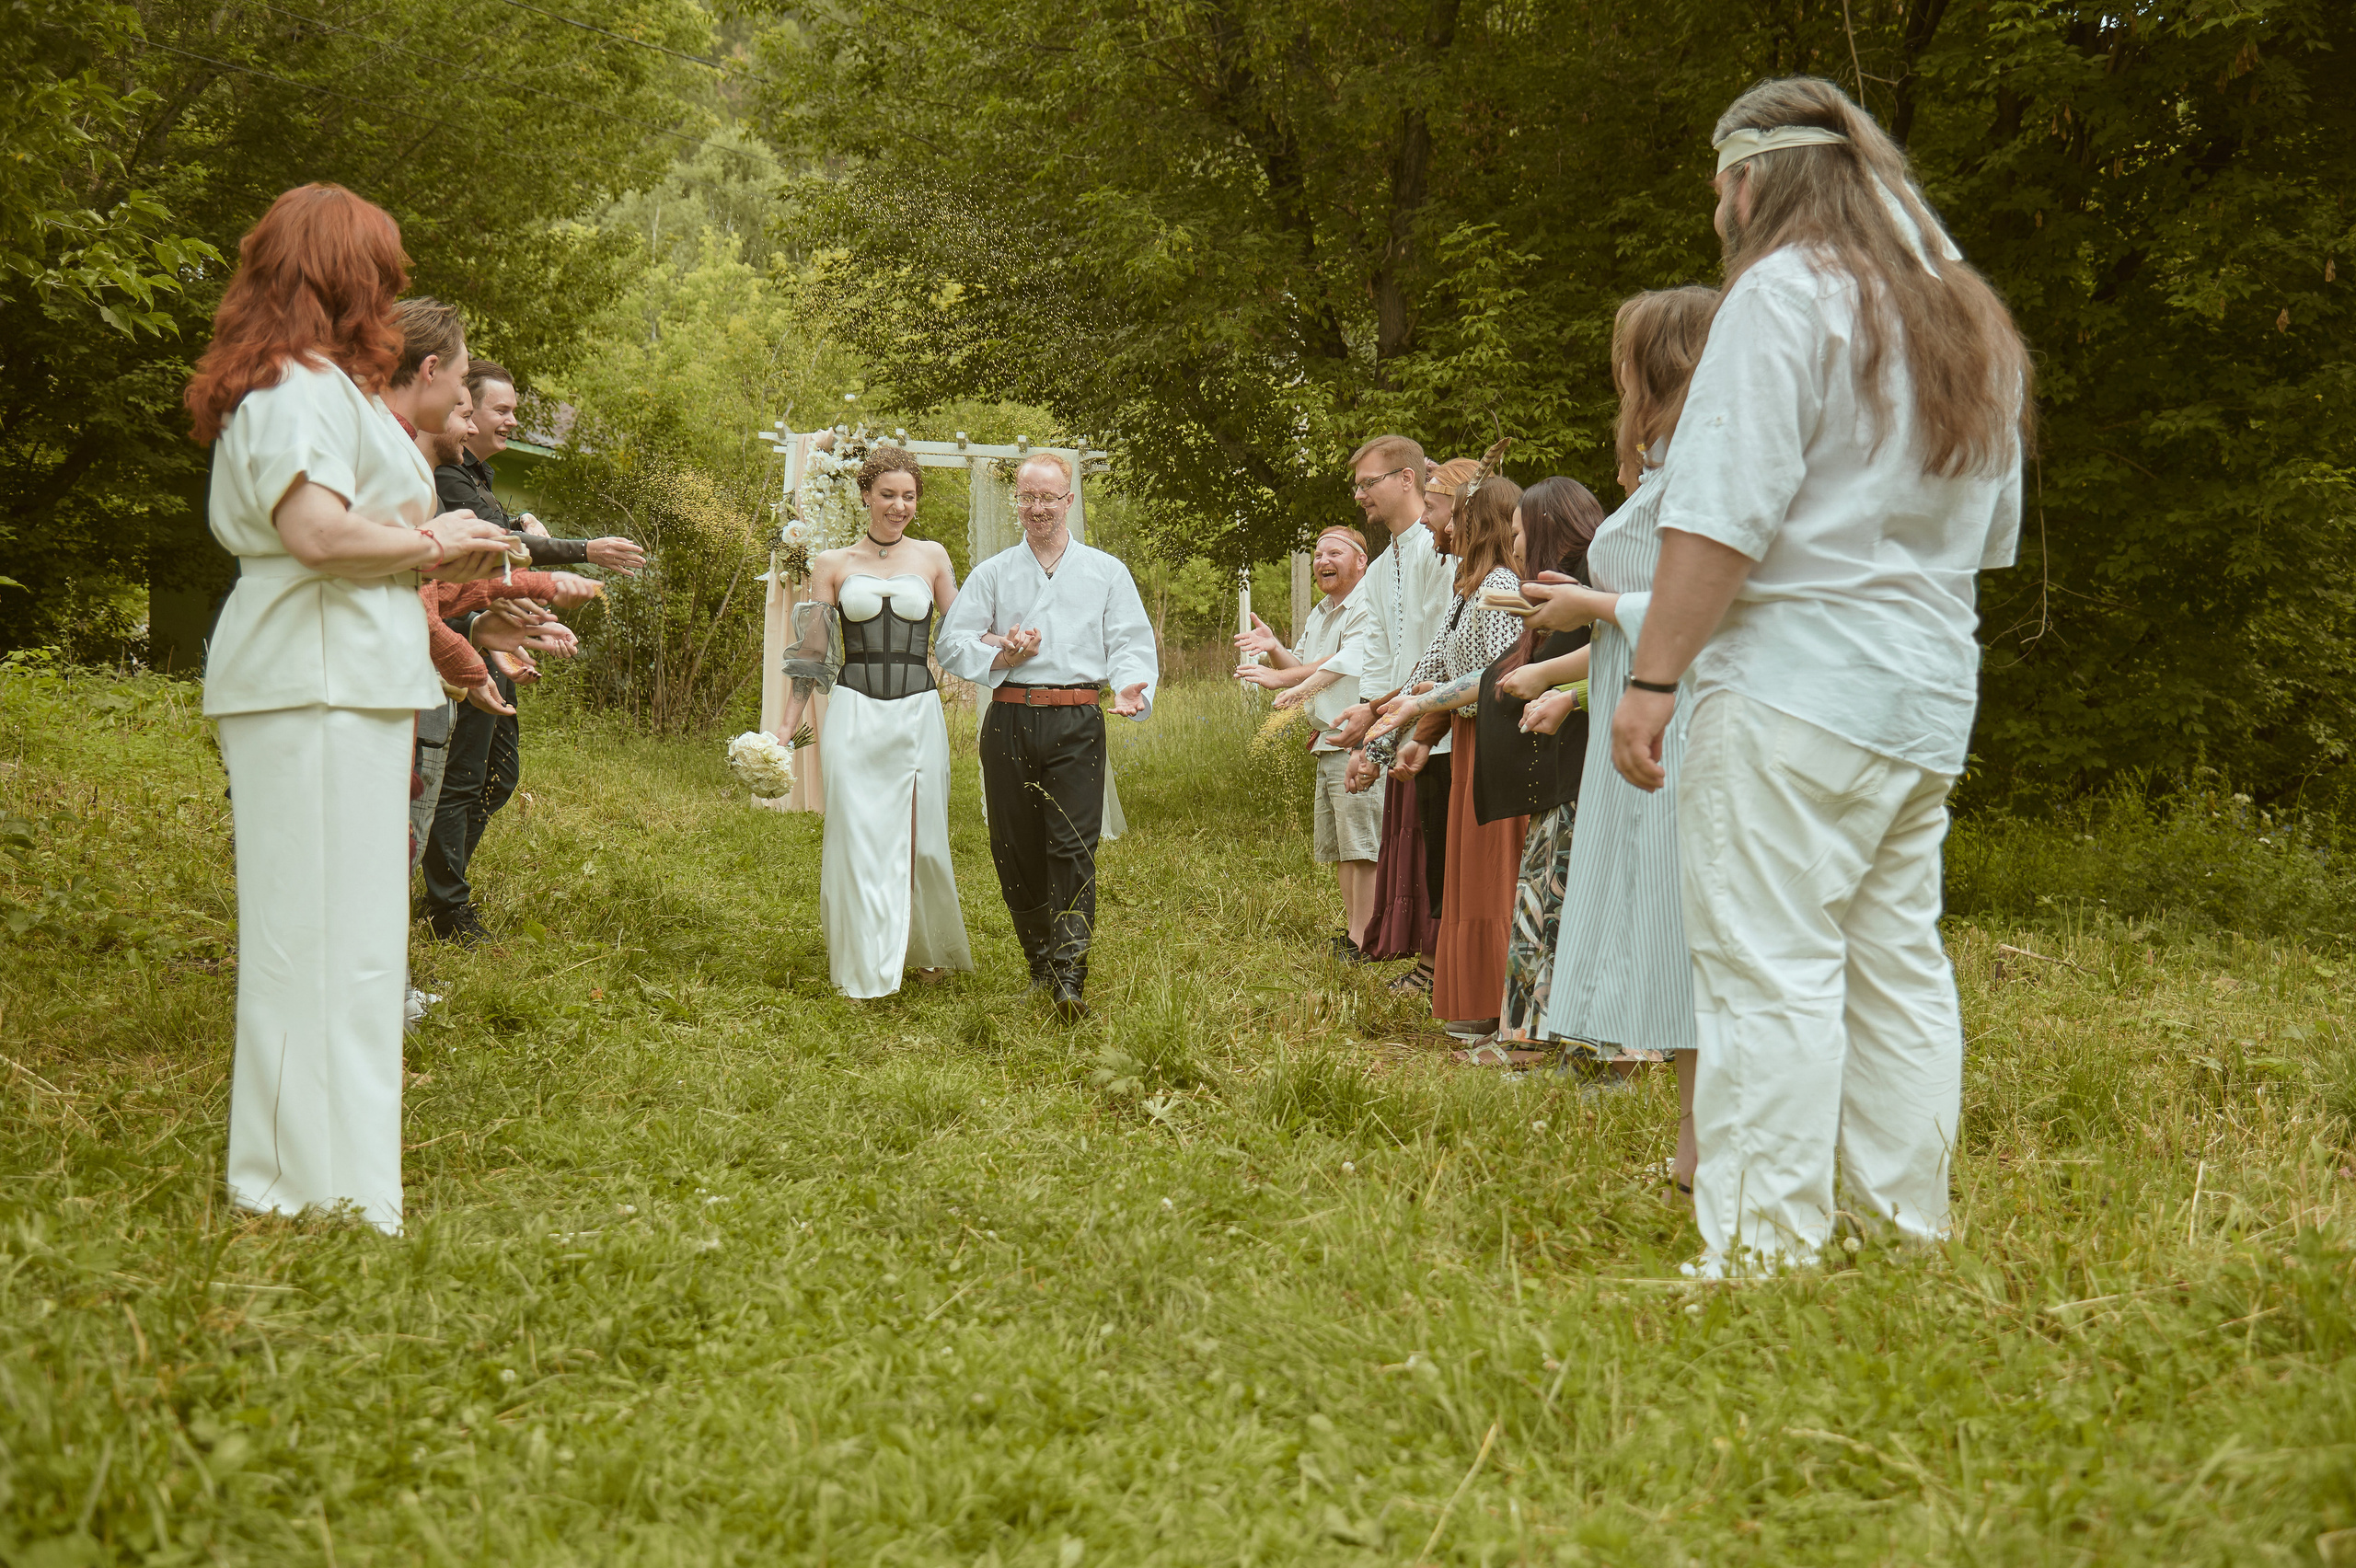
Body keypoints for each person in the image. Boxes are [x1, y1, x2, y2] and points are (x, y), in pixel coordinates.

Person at [1608, 79, 2030, 1274]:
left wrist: (1651, 682)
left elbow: (1722, 514)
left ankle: (1760, 1254)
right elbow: (1983, 535)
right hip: (1925, 688)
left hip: (1794, 686)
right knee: (1895, 967)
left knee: (1767, 970)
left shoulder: (1780, 296)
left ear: (1754, 180)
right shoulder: (1961, 319)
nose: (1716, 211)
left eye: (1719, 186)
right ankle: (1907, 1235)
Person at [184, 183, 511, 1232]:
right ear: (341, 273)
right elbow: (319, 539)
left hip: (355, 680)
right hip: (304, 677)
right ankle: (284, 1181)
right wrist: (433, 548)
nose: (393, 286)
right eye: (381, 267)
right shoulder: (288, 391)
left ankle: (349, 1180)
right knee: (302, 938)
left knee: (360, 940)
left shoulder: (332, 387)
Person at [1519, 286, 1719, 1193]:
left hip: (1689, 725)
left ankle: (1719, 1142)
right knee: (1667, 937)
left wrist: (1591, 605)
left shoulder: (1712, 461)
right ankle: (1692, 1142)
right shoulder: (1665, 461)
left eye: (1625, 357)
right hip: (1640, 720)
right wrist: (1571, 683)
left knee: (1695, 934)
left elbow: (1714, 602)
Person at [936, 451, 1158, 1021]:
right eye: (1028, 498)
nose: (1038, 508)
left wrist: (1132, 687)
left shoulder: (1106, 571)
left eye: (1049, 497)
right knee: (1014, 846)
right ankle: (1039, 964)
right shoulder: (993, 572)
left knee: (1072, 845)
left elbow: (1131, 641)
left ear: (1069, 500)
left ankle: (1070, 977)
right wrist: (1000, 651)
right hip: (1009, 716)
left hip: (1077, 720)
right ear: (1018, 502)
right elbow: (952, 642)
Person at [772, 446, 974, 997]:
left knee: (923, 839)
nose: (899, 505)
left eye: (908, 496)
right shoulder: (831, 564)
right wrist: (786, 727)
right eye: (888, 494)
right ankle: (862, 962)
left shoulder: (933, 557)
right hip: (855, 712)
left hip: (917, 713)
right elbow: (812, 653)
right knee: (856, 837)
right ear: (865, 494)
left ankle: (925, 946)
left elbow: (964, 627)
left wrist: (1007, 647)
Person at [1366, 473, 1529, 1042]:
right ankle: (1478, 1001)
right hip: (1467, 743)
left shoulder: (1500, 587)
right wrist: (1383, 732)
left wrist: (1408, 717)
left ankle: (1501, 1006)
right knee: (1466, 873)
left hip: (1496, 748)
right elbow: (1430, 672)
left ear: (1477, 522)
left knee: (1491, 874)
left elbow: (1499, 681)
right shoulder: (1467, 592)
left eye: (1454, 514)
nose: (1444, 524)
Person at [1472, 478, 1603, 1052]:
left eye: (1522, 532)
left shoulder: (1596, 588)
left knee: (1563, 910)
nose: (1516, 545)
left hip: (1587, 776)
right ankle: (1529, 1035)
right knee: (1542, 906)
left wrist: (1556, 685)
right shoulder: (1558, 599)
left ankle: (1564, 1038)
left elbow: (1629, 656)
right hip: (1556, 780)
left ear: (1548, 527)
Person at [1326, 442, 1461, 988]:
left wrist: (1396, 716)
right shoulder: (1382, 568)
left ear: (1408, 478)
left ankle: (1449, 965)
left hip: (1449, 718)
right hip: (1406, 729)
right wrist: (1372, 730)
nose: (1360, 496)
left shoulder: (1444, 550)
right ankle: (1429, 962)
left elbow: (1447, 646)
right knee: (1424, 841)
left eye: (1368, 483)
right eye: (1358, 487)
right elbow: (1380, 659)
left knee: (1450, 846)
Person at [1234, 525, 1380, 958]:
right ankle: (1354, 934)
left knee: (1363, 848)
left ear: (1360, 561)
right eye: (1318, 555)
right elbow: (1304, 665)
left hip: (1359, 740)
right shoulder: (1321, 611)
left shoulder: (1368, 604)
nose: (1323, 561)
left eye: (1335, 553)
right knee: (1341, 848)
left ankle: (1365, 939)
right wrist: (1277, 650)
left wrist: (1288, 682)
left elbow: (1346, 660)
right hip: (1328, 743)